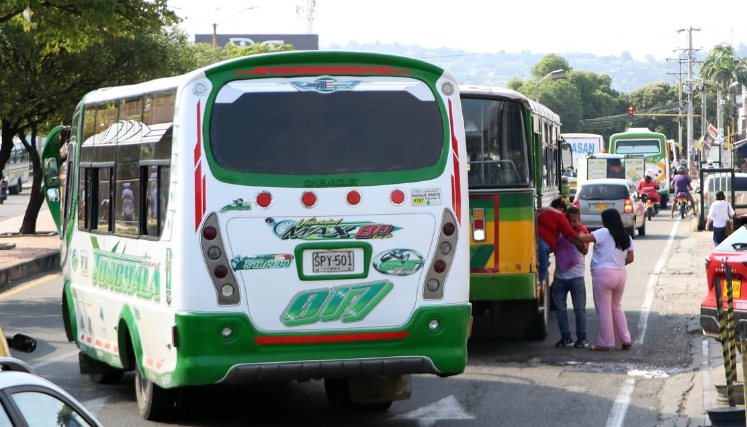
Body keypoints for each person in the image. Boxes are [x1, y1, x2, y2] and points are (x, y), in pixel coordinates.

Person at [578, 209, 634, 351]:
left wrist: (579, 233)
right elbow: (630, 258)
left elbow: (582, 239)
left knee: (604, 310)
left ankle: (605, 342)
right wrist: (617, 264)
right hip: (621, 274)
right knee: (616, 307)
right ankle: (625, 338)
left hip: (602, 274)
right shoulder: (626, 236)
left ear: (606, 221)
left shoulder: (602, 232)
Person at [552, 206, 589, 348]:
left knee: (579, 309)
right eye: (570, 220)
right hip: (559, 277)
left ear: (579, 220)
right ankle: (565, 337)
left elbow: (585, 250)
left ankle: (582, 337)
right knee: (560, 309)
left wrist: (574, 239)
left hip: (576, 277)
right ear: (565, 219)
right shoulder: (558, 231)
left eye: (575, 221)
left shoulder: (582, 232)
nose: (573, 223)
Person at [537, 197, 579, 287]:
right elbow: (569, 232)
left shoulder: (542, 211)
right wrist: (579, 237)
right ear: (562, 209)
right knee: (542, 270)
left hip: (537, 242)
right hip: (542, 245)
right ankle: (539, 284)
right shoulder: (559, 215)